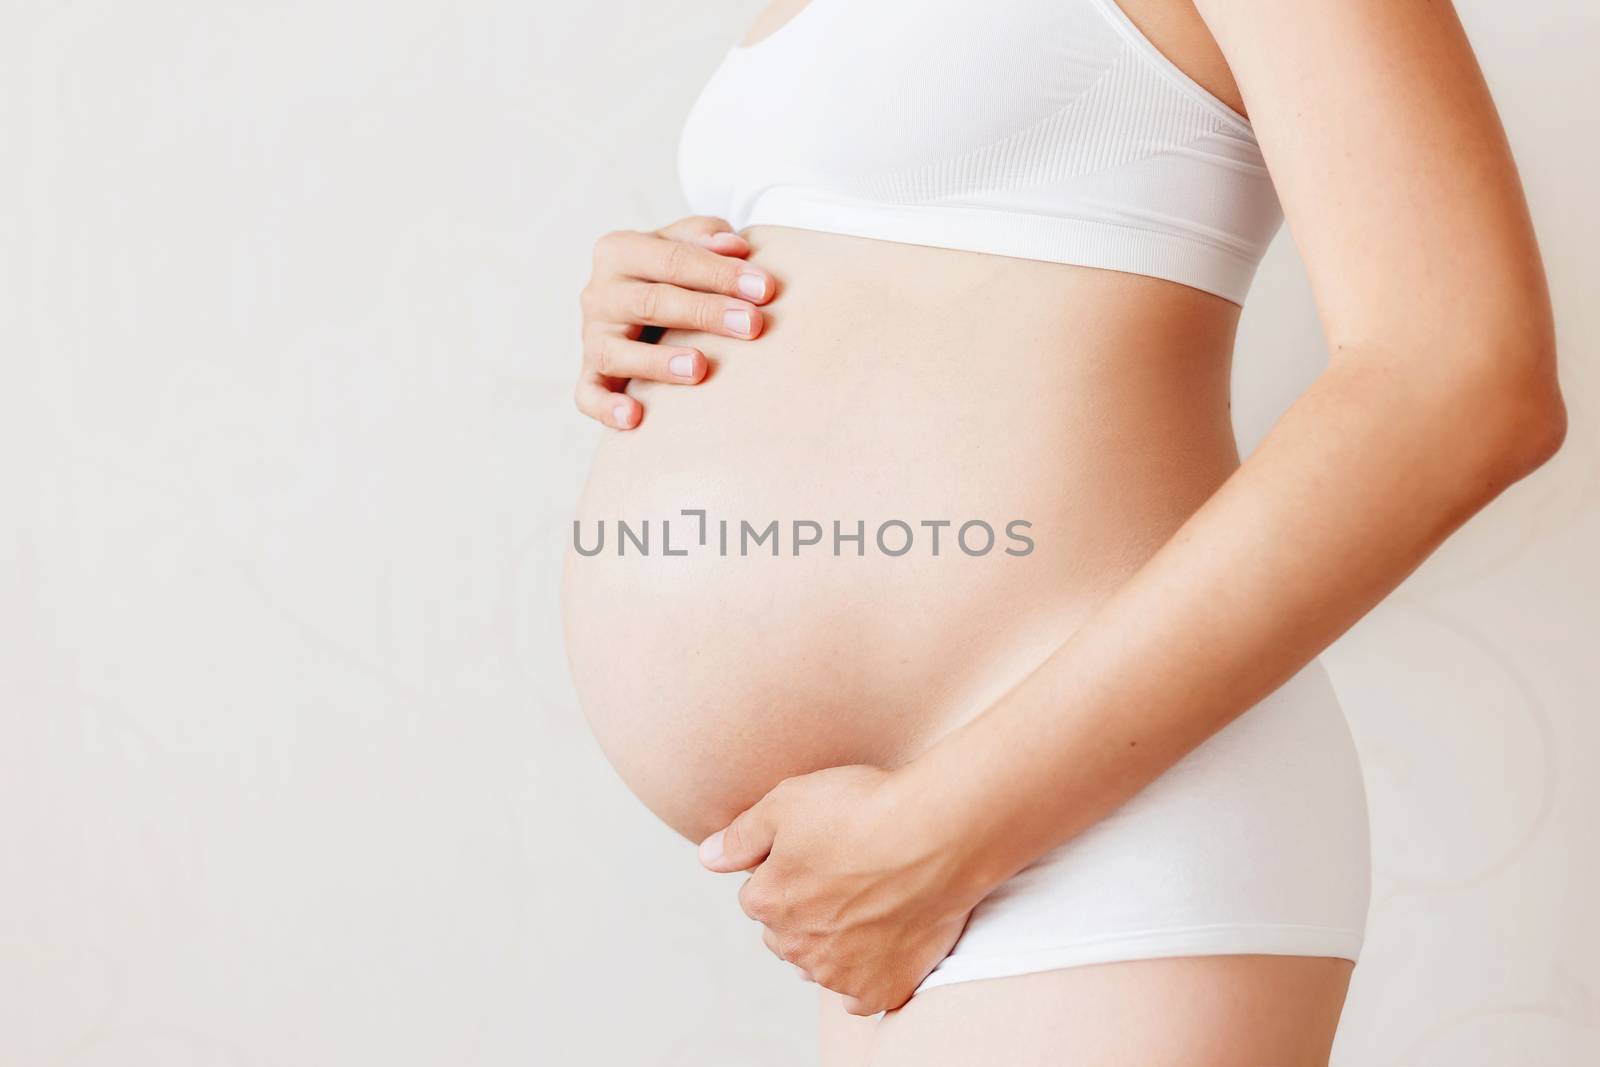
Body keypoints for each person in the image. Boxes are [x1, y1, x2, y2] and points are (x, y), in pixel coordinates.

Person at [561, 0, 1566, 1062]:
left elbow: (1462, 375)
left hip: (1082, 819)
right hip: (889, 875)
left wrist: (944, 831)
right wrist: (670, 293)